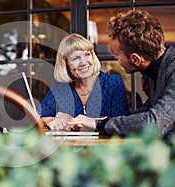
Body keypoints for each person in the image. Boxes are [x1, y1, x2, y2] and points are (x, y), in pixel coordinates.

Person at [70, 10, 175, 139]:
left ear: (136, 59)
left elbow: (154, 124)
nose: (115, 58)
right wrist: (99, 121)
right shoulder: (159, 69)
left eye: (117, 54)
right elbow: (147, 111)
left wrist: (99, 123)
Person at [38, 33, 129, 130]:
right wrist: (51, 120)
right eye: (75, 58)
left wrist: (94, 122)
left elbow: (122, 123)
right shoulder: (61, 88)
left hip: (107, 144)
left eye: (87, 55)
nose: (84, 62)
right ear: (65, 64)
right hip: (70, 145)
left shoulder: (112, 82)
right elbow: (38, 117)